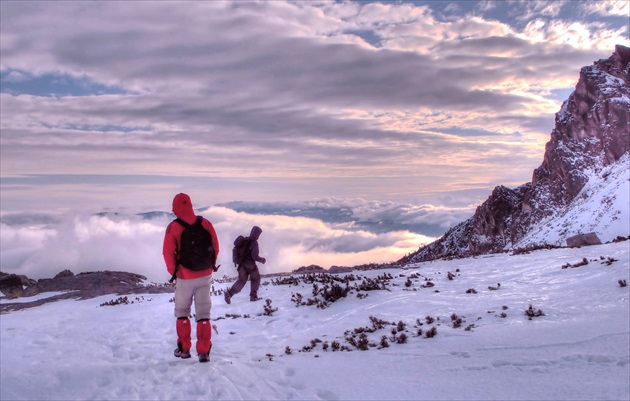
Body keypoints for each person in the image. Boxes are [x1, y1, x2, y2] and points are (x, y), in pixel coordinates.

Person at [163, 193, 219, 363]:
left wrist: (175, 272)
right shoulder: (205, 223)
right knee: (203, 315)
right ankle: (203, 352)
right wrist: (210, 266)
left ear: (175, 208)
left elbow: (167, 253)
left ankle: (184, 349)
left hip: (185, 277)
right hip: (205, 275)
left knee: (182, 313)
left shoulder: (174, 227)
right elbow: (215, 247)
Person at [224, 226, 266, 304]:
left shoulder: (244, 241)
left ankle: (229, 294)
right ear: (257, 234)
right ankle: (253, 296)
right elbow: (254, 256)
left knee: (241, 281)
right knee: (255, 279)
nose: (258, 236)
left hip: (241, 266)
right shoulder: (254, 242)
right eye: (258, 234)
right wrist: (262, 260)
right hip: (250, 265)